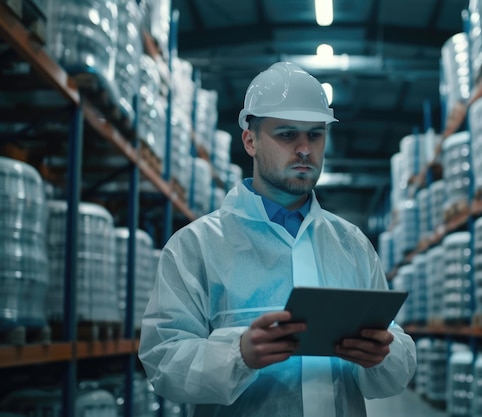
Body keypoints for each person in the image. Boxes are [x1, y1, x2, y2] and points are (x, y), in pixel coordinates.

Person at [138, 61, 417, 417]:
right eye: (287, 134)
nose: (304, 149)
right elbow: (162, 360)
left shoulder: (352, 245)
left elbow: (396, 351)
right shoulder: (196, 246)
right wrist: (238, 354)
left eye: (315, 134)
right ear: (250, 141)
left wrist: (382, 354)